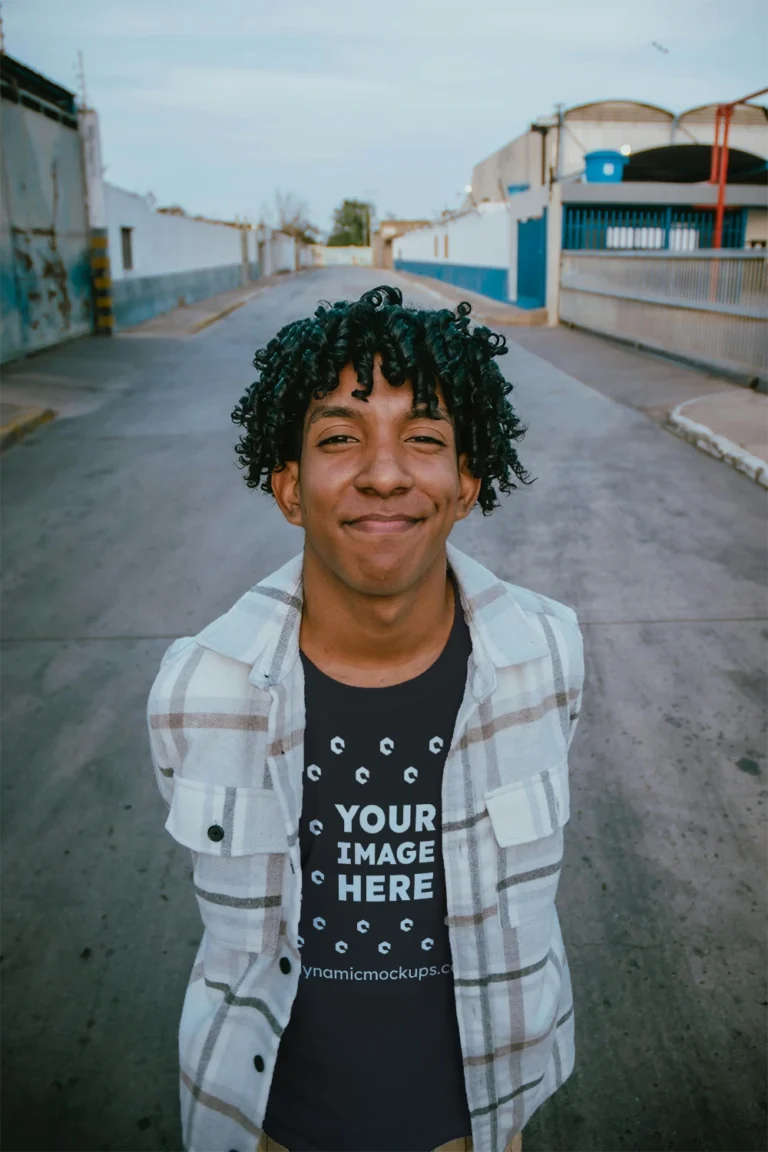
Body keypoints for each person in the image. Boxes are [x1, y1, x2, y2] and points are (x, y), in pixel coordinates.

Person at [148, 285, 584, 1152]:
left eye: (423, 438)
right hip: (268, 1126)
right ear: (288, 487)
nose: (384, 472)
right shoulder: (201, 687)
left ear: (466, 482)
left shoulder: (546, 654)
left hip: (477, 1122)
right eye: (339, 438)